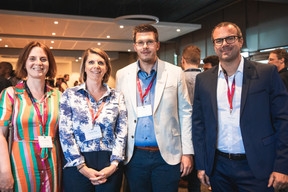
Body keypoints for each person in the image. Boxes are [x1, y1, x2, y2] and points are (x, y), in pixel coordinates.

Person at [192, 21, 288, 191]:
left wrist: (282, 165)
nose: (224, 44)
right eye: (219, 40)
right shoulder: (204, 80)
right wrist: (202, 164)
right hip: (218, 167)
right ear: (214, 45)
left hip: (258, 166)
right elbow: (198, 125)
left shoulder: (266, 74)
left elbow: (283, 119)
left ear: (241, 41)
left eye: (230, 38)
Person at [116, 24, 193, 192]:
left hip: (167, 155)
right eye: (140, 42)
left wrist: (187, 153)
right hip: (134, 156)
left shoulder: (175, 72)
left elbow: (186, 113)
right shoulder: (122, 74)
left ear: (157, 45)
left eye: (149, 42)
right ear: (135, 46)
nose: (145, 47)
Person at [59, 47, 128, 192]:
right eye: (91, 62)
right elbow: (65, 132)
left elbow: (122, 132)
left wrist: (114, 165)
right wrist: (81, 167)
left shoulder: (117, 96)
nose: (96, 66)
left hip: (109, 162)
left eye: (101, 63)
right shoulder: (70, 94)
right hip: (77, 162)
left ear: (106, 68)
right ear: (84, 66)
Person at [0, 41, 62, 191]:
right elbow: (1, 135)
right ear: (24, 63)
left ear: (49, 64)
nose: (38, 63)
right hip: (20, 168)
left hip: (53, 167)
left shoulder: (58, 96)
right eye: (32, 58)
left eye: (43, 59)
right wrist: (4, 171)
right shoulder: (11, 94)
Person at [180, 45, 201, 192]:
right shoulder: (209, 79)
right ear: (199, 61)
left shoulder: (177, 79)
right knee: (196, 182)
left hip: (182, 135)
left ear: (182, 60)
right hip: (201, 135)